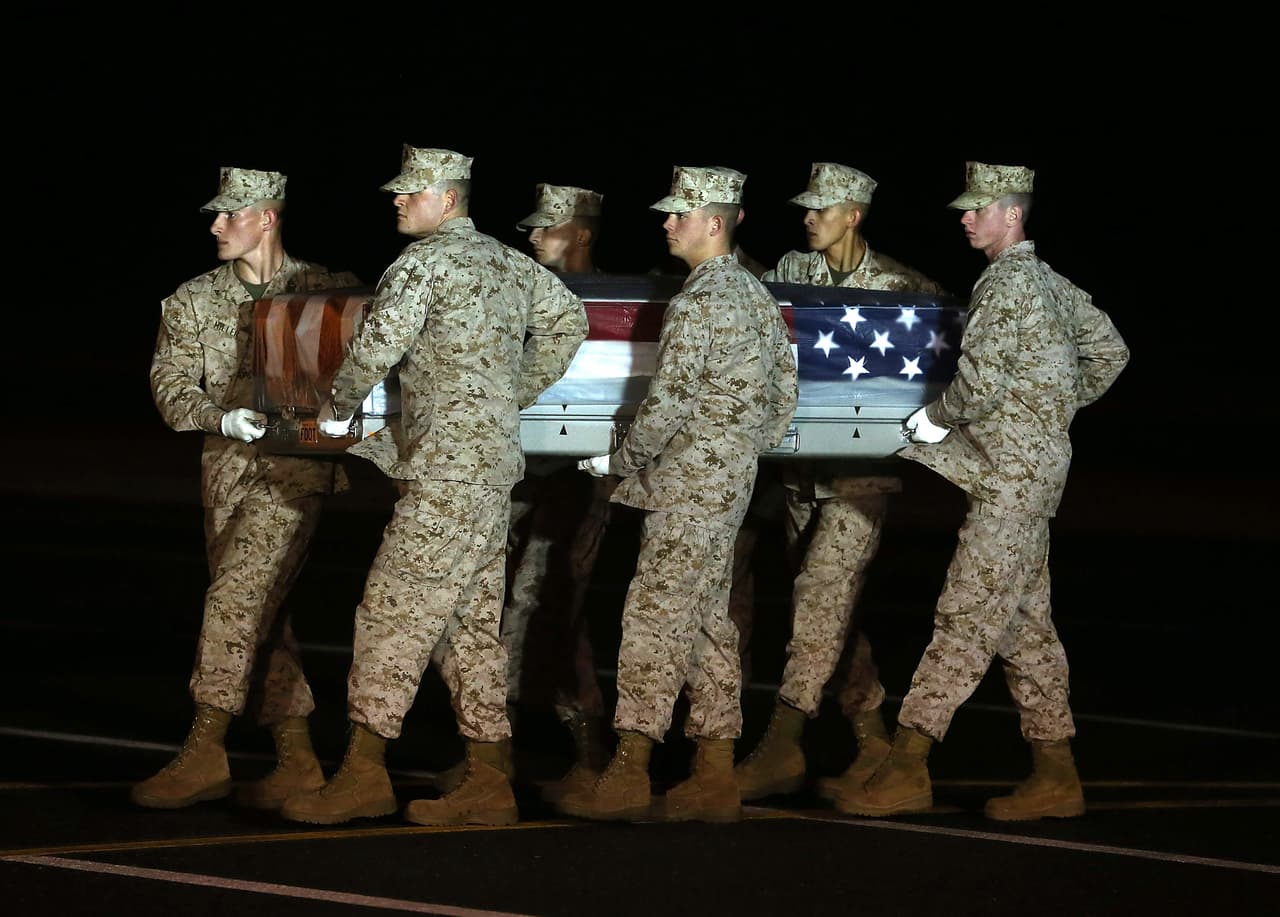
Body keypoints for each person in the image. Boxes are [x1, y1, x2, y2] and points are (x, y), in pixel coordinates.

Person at [279, 145, 588, 827]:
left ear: (447, 199)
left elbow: (379, 342)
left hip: (446, 470)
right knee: (472, 627)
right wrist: (513, 390)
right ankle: (489, 776)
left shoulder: (422, 263)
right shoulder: (512, 265)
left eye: (410, 192)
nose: (397, 199)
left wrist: (337, 405)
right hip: (489, 470)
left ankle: (362, 770)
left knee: (393, 607)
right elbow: (571, 320)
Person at [837, 161, 1129, 820]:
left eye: (978, 208)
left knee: (966, 613)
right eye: (965, 208)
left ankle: (908, 761)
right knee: (1026, 626)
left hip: (1008, 478)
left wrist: (936, 419)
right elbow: (1111, 352)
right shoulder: (1050, 282)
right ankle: (1057, 771)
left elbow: (981, 382)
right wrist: (1051, 411)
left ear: (1013, 214)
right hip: (1030, 471)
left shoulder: (1004, 285)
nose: (966, 218)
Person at [557, 165, 798, 823]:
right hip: (727, 483)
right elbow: (784, 397)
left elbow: (665, 406)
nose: (667, 223)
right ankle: (714, 772)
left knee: (654, 617)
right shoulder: (755, 296)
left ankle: (630, 768)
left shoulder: (698, 301)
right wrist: (741, 448)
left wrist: (618, 458)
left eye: (679, 214)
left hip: (684, 484)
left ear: (713, 223)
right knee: (707, 621)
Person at [137, 166, 361, 811]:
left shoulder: (328, 291)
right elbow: (170, 386)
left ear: (267, 217)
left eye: (229, 214)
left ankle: (204, 748)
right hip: (227, 472)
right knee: (261, 612)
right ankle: (298, 760)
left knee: (237, 599)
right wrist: (218, 416)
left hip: (293, 477)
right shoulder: (189, 301)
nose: (215, 225)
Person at [732, 162, 952, 805]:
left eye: (821, 209)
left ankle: (783, 742)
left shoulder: (903, 287)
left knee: (820, 595)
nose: (808, 217)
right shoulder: (791, 273)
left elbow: (940, 359)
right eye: (806, 207)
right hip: (802, 472)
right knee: (830, 609)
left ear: (852, 215)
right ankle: (873, 741)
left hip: (863, 476)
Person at [430, 182, 614, 802]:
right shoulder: (520, 293)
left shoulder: (614, 305)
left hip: (574, 481)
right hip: (513, 471)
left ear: (582, 233)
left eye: (548, 227)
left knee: (544, 608)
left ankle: (587, 752)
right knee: (475, 609)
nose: (532, 236)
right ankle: (492, 755)